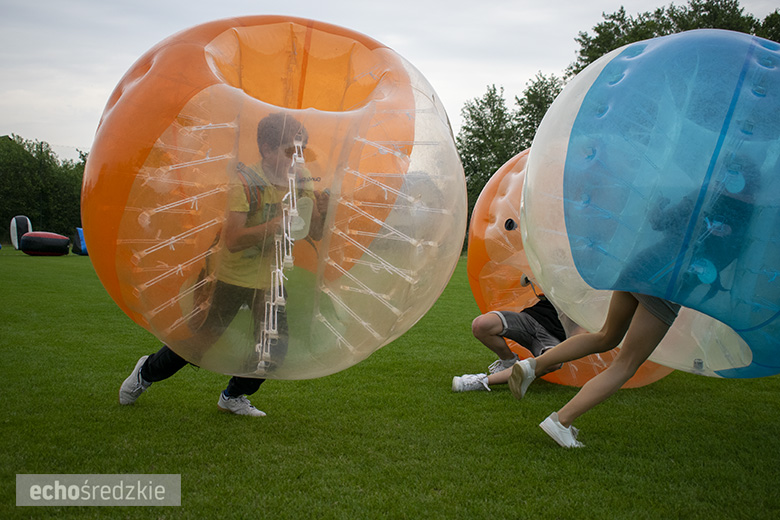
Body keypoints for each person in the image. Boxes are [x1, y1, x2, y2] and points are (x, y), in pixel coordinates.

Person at [119, 112, 329, 417]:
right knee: (198, 346)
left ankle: (233, 396)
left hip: (270, 279)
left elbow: (311, 230)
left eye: (302, 149)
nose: (297, 157)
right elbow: (233, 239)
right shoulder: (246, 182)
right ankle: (146, 373)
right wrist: (274, 225)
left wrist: (322, 212)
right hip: (229, 277)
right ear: (267, 149)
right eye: (289, 150)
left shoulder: (301, 179)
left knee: (273, 349)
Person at [508, 291, 680, 447]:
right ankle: (561, 421)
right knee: (626, 365)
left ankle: (534, 366)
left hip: (637, 271)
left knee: (606, 336)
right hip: (666, 286)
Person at [452, 296, 571, 392]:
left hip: (553, 337)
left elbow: (578, 335)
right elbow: (525, 279)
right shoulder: (561, 276)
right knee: (481, 325)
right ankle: (508, 363)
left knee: (553, 362)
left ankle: (482, 381)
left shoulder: (587, 295)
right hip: (530, 319)